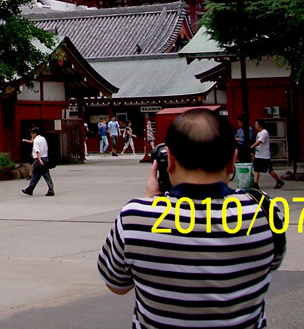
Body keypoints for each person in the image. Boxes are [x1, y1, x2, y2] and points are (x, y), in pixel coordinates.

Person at [98, 108, 285, 328]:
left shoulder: (134, 218)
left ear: (170, 162)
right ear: (232, 161)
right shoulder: (266, 212)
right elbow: (271, 263)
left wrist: (150, 202)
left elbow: (117, 285)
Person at [251, 118, 285, 189]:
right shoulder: (258, 133)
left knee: (270, 170)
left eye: (256, 124)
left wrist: (252, 147)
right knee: (256, 169)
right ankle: (255, 184)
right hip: (258, 155)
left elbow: (260, 141)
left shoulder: (264, 132)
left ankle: (278, 180)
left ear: (260, 125)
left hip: (264, 156)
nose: (255, 126)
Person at [21, 126, 54, 197]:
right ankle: (51, 189)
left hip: (39, 159)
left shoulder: (36, 140)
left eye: (32, 134)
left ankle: (29, 189)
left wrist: (39, 160)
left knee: (35, 175)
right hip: (45, 157)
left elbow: (37, 151)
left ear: (35, 133)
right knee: (46, 175)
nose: (31, 135)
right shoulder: (43, 139)